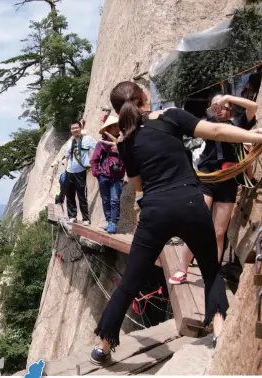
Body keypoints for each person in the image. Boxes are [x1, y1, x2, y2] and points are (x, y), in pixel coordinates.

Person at [89, 81, 262, 365]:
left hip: (155, 212)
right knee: (210, 270)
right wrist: (255, 138)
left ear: (119, 112)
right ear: (146, 99)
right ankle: (218, 330)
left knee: (129, 283)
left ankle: (103, 346)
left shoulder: (125, 143)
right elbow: (217, 130)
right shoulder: (170, 116)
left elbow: (138, 185)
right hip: (191, 203)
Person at [169, 93, 258, 285]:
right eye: (216, 106)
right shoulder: (207, 122)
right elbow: (200, 120)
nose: (220, 109)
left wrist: (229, 97)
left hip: (228, 181)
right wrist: (217, 104)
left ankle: (211, 274)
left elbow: (253, 107)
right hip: (207, 177)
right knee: (197, 223)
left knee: (219, 232)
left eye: (224, 106)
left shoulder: (239, 124)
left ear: (230, 109)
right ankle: (182, 269)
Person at [91, 115, 126, 234]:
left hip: (118, 176)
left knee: (115, 200)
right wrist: (97, 173)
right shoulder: (101, 143)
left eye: (118, 126)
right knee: (105, 200)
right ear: (109, 128)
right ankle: (109, 221)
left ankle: (113, 223)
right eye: (114, 126)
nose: (117, 128)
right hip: (104, 175)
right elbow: (94, 159)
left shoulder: (123, 141)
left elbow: (129, 157)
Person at [65, 121, 97, 225]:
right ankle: (72, 216)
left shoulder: (87, 139)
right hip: (69, 172)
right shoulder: (70, 142)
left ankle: (85, 218)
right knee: (70, 196)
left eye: (76, 128)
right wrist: (64, 171)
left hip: (80, 172)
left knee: (81, 196)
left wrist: (93, 163)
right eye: (72, 128)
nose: (75, 130)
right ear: (71, 131)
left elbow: (98, 148)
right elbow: (67, 158)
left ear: (80, 128)